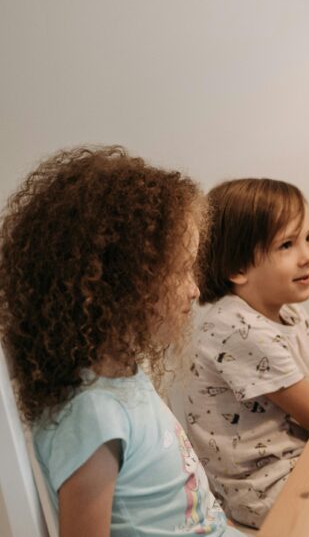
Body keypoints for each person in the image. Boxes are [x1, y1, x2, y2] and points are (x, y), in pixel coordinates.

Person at [0, 146, 243, 536]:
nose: (194, 290)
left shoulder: (125, 374)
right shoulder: (93, 415)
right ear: (124, 284)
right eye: (180, 272)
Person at [185, 178, 309, 529]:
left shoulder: (291, 313)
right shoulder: (238, 329)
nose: (308, 257)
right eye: (287, 244)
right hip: (265, 489)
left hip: (301, 459)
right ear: (236, 268)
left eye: (308, 238)